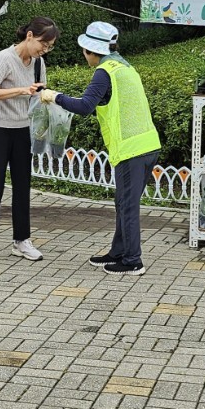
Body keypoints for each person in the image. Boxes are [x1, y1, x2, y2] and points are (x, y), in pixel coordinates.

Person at [40, 21, 161, 275]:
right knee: (123, 202)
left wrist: (55, 96)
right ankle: (117, 252)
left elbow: (85, 106)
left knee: (127, 206)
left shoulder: (104, 71)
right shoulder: (125, 67)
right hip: (148, 144)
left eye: (85, 50)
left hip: (131, 149)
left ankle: (132, 260)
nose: (84, 55)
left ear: (92, 50)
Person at [0, 16, 58, 264]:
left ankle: (22, 241)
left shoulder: (39, 63)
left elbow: (38, 94)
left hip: (23, 130)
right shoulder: (4, 58)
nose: (45, 49)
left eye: (50, 46)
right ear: (29, 35)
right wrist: (21, 90)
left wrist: (47, 98)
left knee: (22, 186)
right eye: (43, 43)